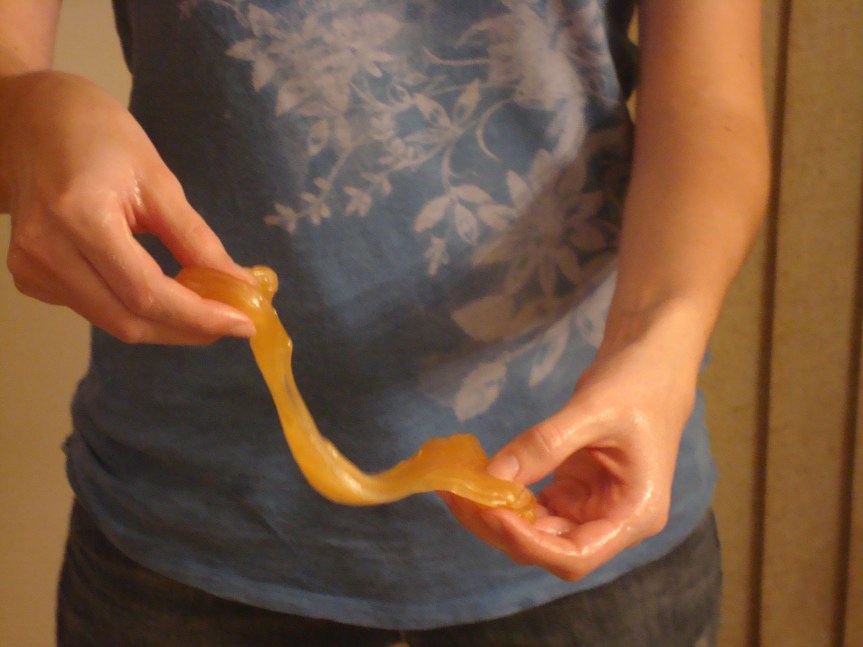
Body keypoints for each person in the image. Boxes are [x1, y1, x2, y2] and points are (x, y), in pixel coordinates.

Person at [0, 1, 769, 645]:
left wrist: (658, 344)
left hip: (588, 511)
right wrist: (25, 110)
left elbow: (710, 103)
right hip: (188, 537)